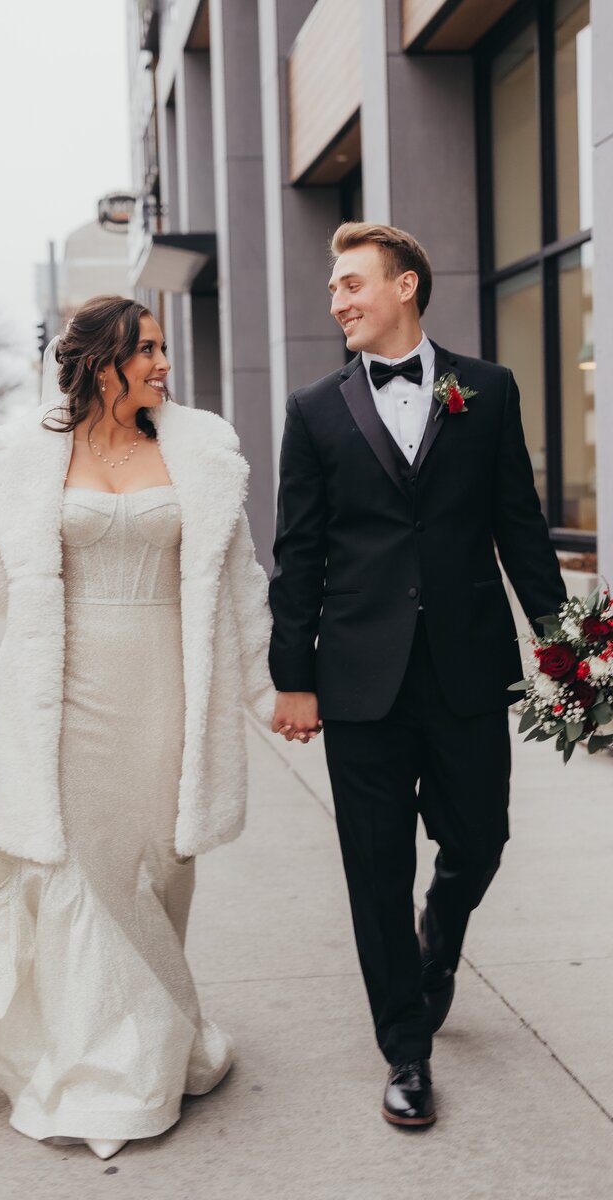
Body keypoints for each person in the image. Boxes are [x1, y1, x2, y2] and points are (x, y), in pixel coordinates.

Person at [0, 295, 275, 1160]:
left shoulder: (201, 448)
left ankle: (164, 1034)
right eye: (145, 350)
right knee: (82, 877)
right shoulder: (30, 458)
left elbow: (241, 582)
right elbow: (8, 586)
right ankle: (108, 1072)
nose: (162, 364)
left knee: (158, 873)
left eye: (162, 348)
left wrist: (270, 690)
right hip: (69, 699)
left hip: (171, 694)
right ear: (99, 361)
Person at [268, 223, 567, 1128]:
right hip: (357, 677)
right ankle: (405, 1049)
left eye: (351, 284)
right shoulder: (314, 410)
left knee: (479, 840)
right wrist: (293, 676)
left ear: (404, 286)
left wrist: (570, 646)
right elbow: (300, 553)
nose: (337, 301)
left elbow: (519, 522)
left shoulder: (488, 388)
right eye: (331, 289)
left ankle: (437, 944)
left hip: (467, 667)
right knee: (373, 866)